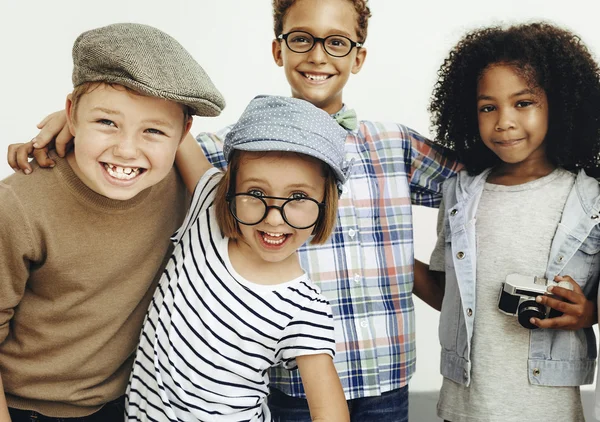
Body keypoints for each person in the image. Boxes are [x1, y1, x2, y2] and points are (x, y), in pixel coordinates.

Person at [8, 1, 460, 420]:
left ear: (358, 56)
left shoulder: (394, 143)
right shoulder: (223, 164)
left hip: (386, 370)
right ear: (278, 48)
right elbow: (154, 134)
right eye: (302, 38)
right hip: (281, 390)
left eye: (336, 42)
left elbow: (476, 186)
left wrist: (411, 269)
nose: (275, 215)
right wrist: (74, 120)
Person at [0, 22, 225, 421]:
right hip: (26, 408)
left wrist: (100, 118)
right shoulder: (17, 205)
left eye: (153, 131)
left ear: (183, 134)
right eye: (107, 123)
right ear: (71, 113)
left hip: (127, 404)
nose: (126, 150)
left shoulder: (182, 187)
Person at [126, 94, 350, 422]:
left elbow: (330, 412)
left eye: (298, 197)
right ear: (229, 191)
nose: (274, 218)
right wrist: (80, 125)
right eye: (256, 193)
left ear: (326, 204)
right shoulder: (208, 205)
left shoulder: (305, 309)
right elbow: (167, 126)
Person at [426, 22, 600, 422]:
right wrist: (387, 257)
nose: (503, 121)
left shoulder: (590, 201)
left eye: (523, 103)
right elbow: (448, 294)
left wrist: (589, 313)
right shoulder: (460, 194)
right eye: (488, 107)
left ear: (560, 103)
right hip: (463, 406)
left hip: (548, 408)